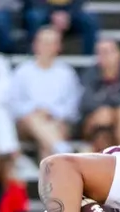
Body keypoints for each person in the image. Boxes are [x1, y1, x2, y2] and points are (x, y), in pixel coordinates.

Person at [13, 26, 83, 154]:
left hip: (59, 122)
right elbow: (14, 103)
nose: (47, 47)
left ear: (58, 47)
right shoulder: (22, 71)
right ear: (35, 45)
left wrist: (52, 113)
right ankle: (62, 148)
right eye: (43, 42)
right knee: (35, 121)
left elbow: (72, 106)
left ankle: (57, 150)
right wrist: (36, 111)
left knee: (47, 143)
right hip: (27, 123)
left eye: (51, 43)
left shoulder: (67, 72)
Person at [79, 36, 120, 149]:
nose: (103, 56)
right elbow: (86, 102)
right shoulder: (89, 74)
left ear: (119, 54)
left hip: (117, 117)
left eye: (107, 52)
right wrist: (107, 108)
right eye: (99, 52)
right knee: (107, 118)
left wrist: (110, 110)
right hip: (93, 120)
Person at [23, 0, 100, 52]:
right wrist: (52, 13)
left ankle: (88, 61)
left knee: (90, 20)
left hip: (72, 9)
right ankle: (33, 57)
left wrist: (69, 14)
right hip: (44, 8)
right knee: (34, 17)